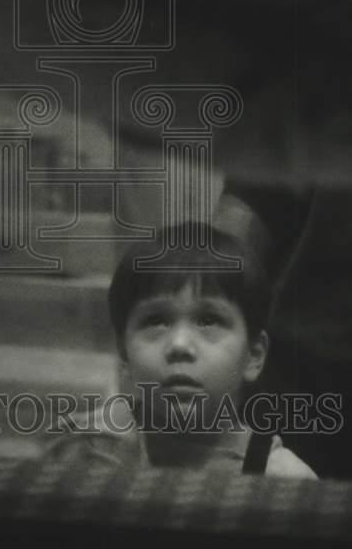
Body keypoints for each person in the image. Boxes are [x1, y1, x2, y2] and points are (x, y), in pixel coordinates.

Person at [44, 193, 317, 478]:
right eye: (156, 320)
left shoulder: (281, 478)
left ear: (253, 355)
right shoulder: (86, 452)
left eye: (209, 320)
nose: (179, 345)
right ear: (124, 353)